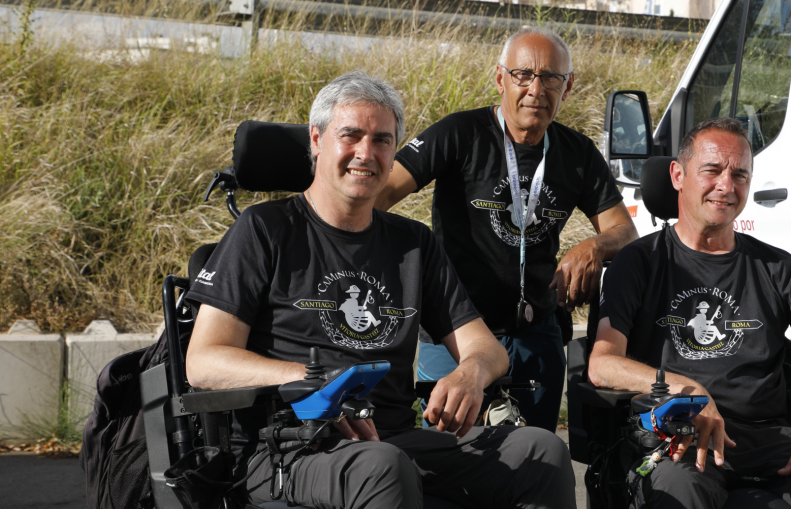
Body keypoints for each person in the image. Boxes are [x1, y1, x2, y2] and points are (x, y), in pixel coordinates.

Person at [185, 71, 574, 509]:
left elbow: (486, 348)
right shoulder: (263, 230)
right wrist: (311, 381)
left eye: (382, 140)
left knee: (543, 452)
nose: (365, 154)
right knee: (384, 466)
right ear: (316, 140)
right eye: (350, 135)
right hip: (291, 448)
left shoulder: (412, 243)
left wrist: (470, 373)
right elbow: (203, 361)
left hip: (394, 439)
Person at [589, 118, 791, 509]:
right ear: (678, 175)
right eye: (712, 170)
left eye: (740, 174)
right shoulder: (639, 262)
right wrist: (689, 391)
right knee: (675, 491)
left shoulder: (778, 268)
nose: (726, 185)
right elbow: (602, 365)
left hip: (770, 440)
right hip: (684, 438)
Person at [375, 28, 637, 431]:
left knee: (535, 463)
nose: (536, 88)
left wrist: (595, 246)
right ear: (501, 79)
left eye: (551, 77)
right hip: (456, 333)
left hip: (535, 332)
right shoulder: (459, 134)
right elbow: (379, 195)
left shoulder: (577, 153)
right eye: (523, 74)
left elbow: (625, 230)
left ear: (567, 88)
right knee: (445, 460)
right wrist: (404, 266)